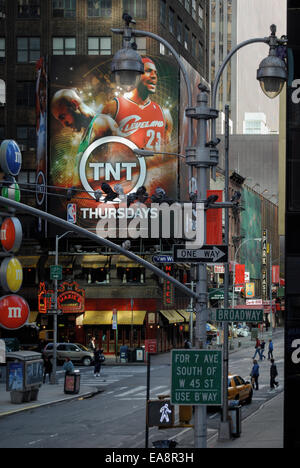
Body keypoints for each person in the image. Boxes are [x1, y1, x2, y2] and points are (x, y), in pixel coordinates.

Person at [102, 57, 173, 151]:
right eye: (148, 71)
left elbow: (168, 151)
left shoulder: (165, 114)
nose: (154, 76)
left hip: (155, 165)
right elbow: (97, 146)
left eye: (155, 73)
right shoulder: (114, 107)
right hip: (126, 164)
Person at [51, 88, 118, 185]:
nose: (64, 124)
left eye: (63, 117)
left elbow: (116, 168)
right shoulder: (86, 133)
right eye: (59, 120)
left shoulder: (100, 124)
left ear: (74, 105)